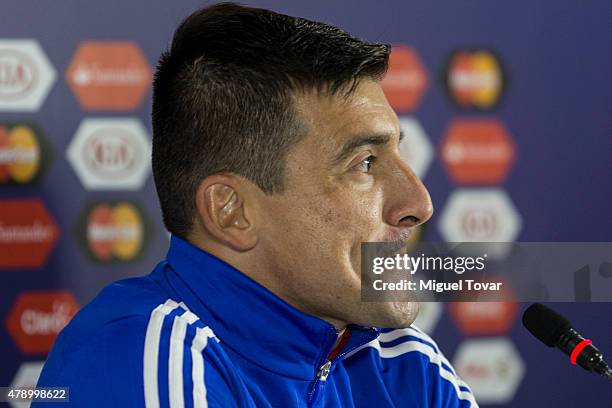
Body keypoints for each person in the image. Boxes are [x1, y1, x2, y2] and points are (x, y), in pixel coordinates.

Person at [35, 3, 477, 407]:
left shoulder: (402, 361)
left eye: (401, 155)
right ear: (232, 212)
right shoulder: (138, 355)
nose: (418, 203)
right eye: (364, 163)